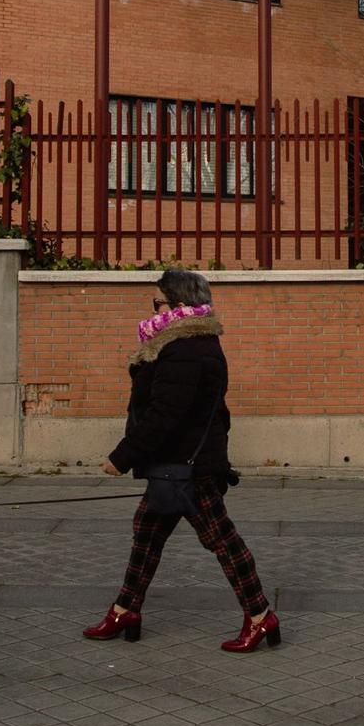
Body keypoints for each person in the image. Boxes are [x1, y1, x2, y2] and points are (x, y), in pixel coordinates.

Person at [82, 268, 280, 653]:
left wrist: (121, 458)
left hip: (186, 467)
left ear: (179, 305)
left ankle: (260, 616)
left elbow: (164, 415)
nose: (153, 310)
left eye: (158, 302)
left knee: (222, 541)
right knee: (147, 534)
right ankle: (125, 610)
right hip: (180, 464)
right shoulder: (189, 343)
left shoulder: (184, 349)